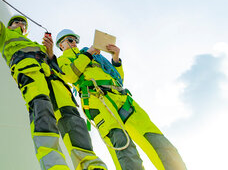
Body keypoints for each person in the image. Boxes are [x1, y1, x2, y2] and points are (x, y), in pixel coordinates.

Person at [0, 0, 107, 170]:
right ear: (10, 25)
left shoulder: (38, 45)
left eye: (22, 24)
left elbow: (55, 66)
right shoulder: (4, 35)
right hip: (31, 78)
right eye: (16, 22)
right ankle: (55, 166)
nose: (19, 25)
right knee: (42, 115)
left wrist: (49, 52)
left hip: (54, 81)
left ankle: (91, 165)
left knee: (72, 119)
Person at [55, 29, 187, 170]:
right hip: (97, 100)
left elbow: (118, 79)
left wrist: (116, 59)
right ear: (61, 45)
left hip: (121, 97)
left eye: (75, 40)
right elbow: (69, 76)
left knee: (154, 136)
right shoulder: (63, 60)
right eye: (69, 40)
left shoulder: (95, 57)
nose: (74, 42)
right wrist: (88, 54)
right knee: (121, 142)